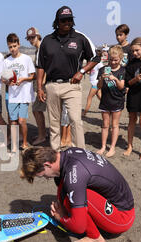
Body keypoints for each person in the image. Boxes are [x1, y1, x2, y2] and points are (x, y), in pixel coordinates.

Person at [20, 146, 135, 242]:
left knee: (72, 195)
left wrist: (60, 217)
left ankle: (95, 239)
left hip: (122, 217)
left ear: (47, 165)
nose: (45, 178)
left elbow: (79, 227)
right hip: (117, 200)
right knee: (65, 186)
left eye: (42, 175)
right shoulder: (67, 154)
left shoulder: (75, 174)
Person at [36, 6, 100, 151]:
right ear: (57, 22)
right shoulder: (47, 40)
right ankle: (55, 154)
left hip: (72, 85)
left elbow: (96, 57)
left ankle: (81, 153)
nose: (67, 22)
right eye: (63, 20)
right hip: (51, 86)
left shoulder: (80, 38)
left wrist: (82, 71)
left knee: (76, 121)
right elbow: (40, 66)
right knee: (53, 123)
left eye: (70, 19)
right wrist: (40, 87)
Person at [2, 33, 35, 152]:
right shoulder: (6, 61)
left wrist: (23, 79)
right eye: (10, 47)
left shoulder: (26, 59)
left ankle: (25, 143)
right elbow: (4, 79)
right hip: (12, 95)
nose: (13, 49)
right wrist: (8, 83)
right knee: (13, 121)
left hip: (24, 94)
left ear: (19, 44)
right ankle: (15, 145)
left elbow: (32, 76)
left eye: (14, 46)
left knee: (21, 121)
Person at [96, 45, 126, 157]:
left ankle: (112, 147)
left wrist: (115, 79)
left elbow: (121, 87)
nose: (113, 62)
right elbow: (98, 86)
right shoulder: (103, 69)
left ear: (120, 58)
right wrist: (101, 79)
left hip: (117, 100)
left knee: (114, 125)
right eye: (111, 60)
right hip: (105, 100)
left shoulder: (123, 70)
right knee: (104, 125)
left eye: (116, 60)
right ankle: (103, 146)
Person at [26, 27, 47, 145]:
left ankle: (42, 135)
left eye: (32, 37)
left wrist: (41, 86)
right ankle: (42, 133)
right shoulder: (37, 50)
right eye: (29, 38)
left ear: (38, 36)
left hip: (42, 86)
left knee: (36, 110)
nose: (30, 40)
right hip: (38, 85)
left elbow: (46, 68)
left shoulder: (42, 48)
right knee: (38, 110)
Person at [83, 49, 103, 116]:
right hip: (95, 83)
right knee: (101, 98)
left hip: (96, 84)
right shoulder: (93, 63)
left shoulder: (99, 63)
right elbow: (90, 72)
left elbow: (103, 71)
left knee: (89, 98)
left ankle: (84, 113)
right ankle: (108, 109)